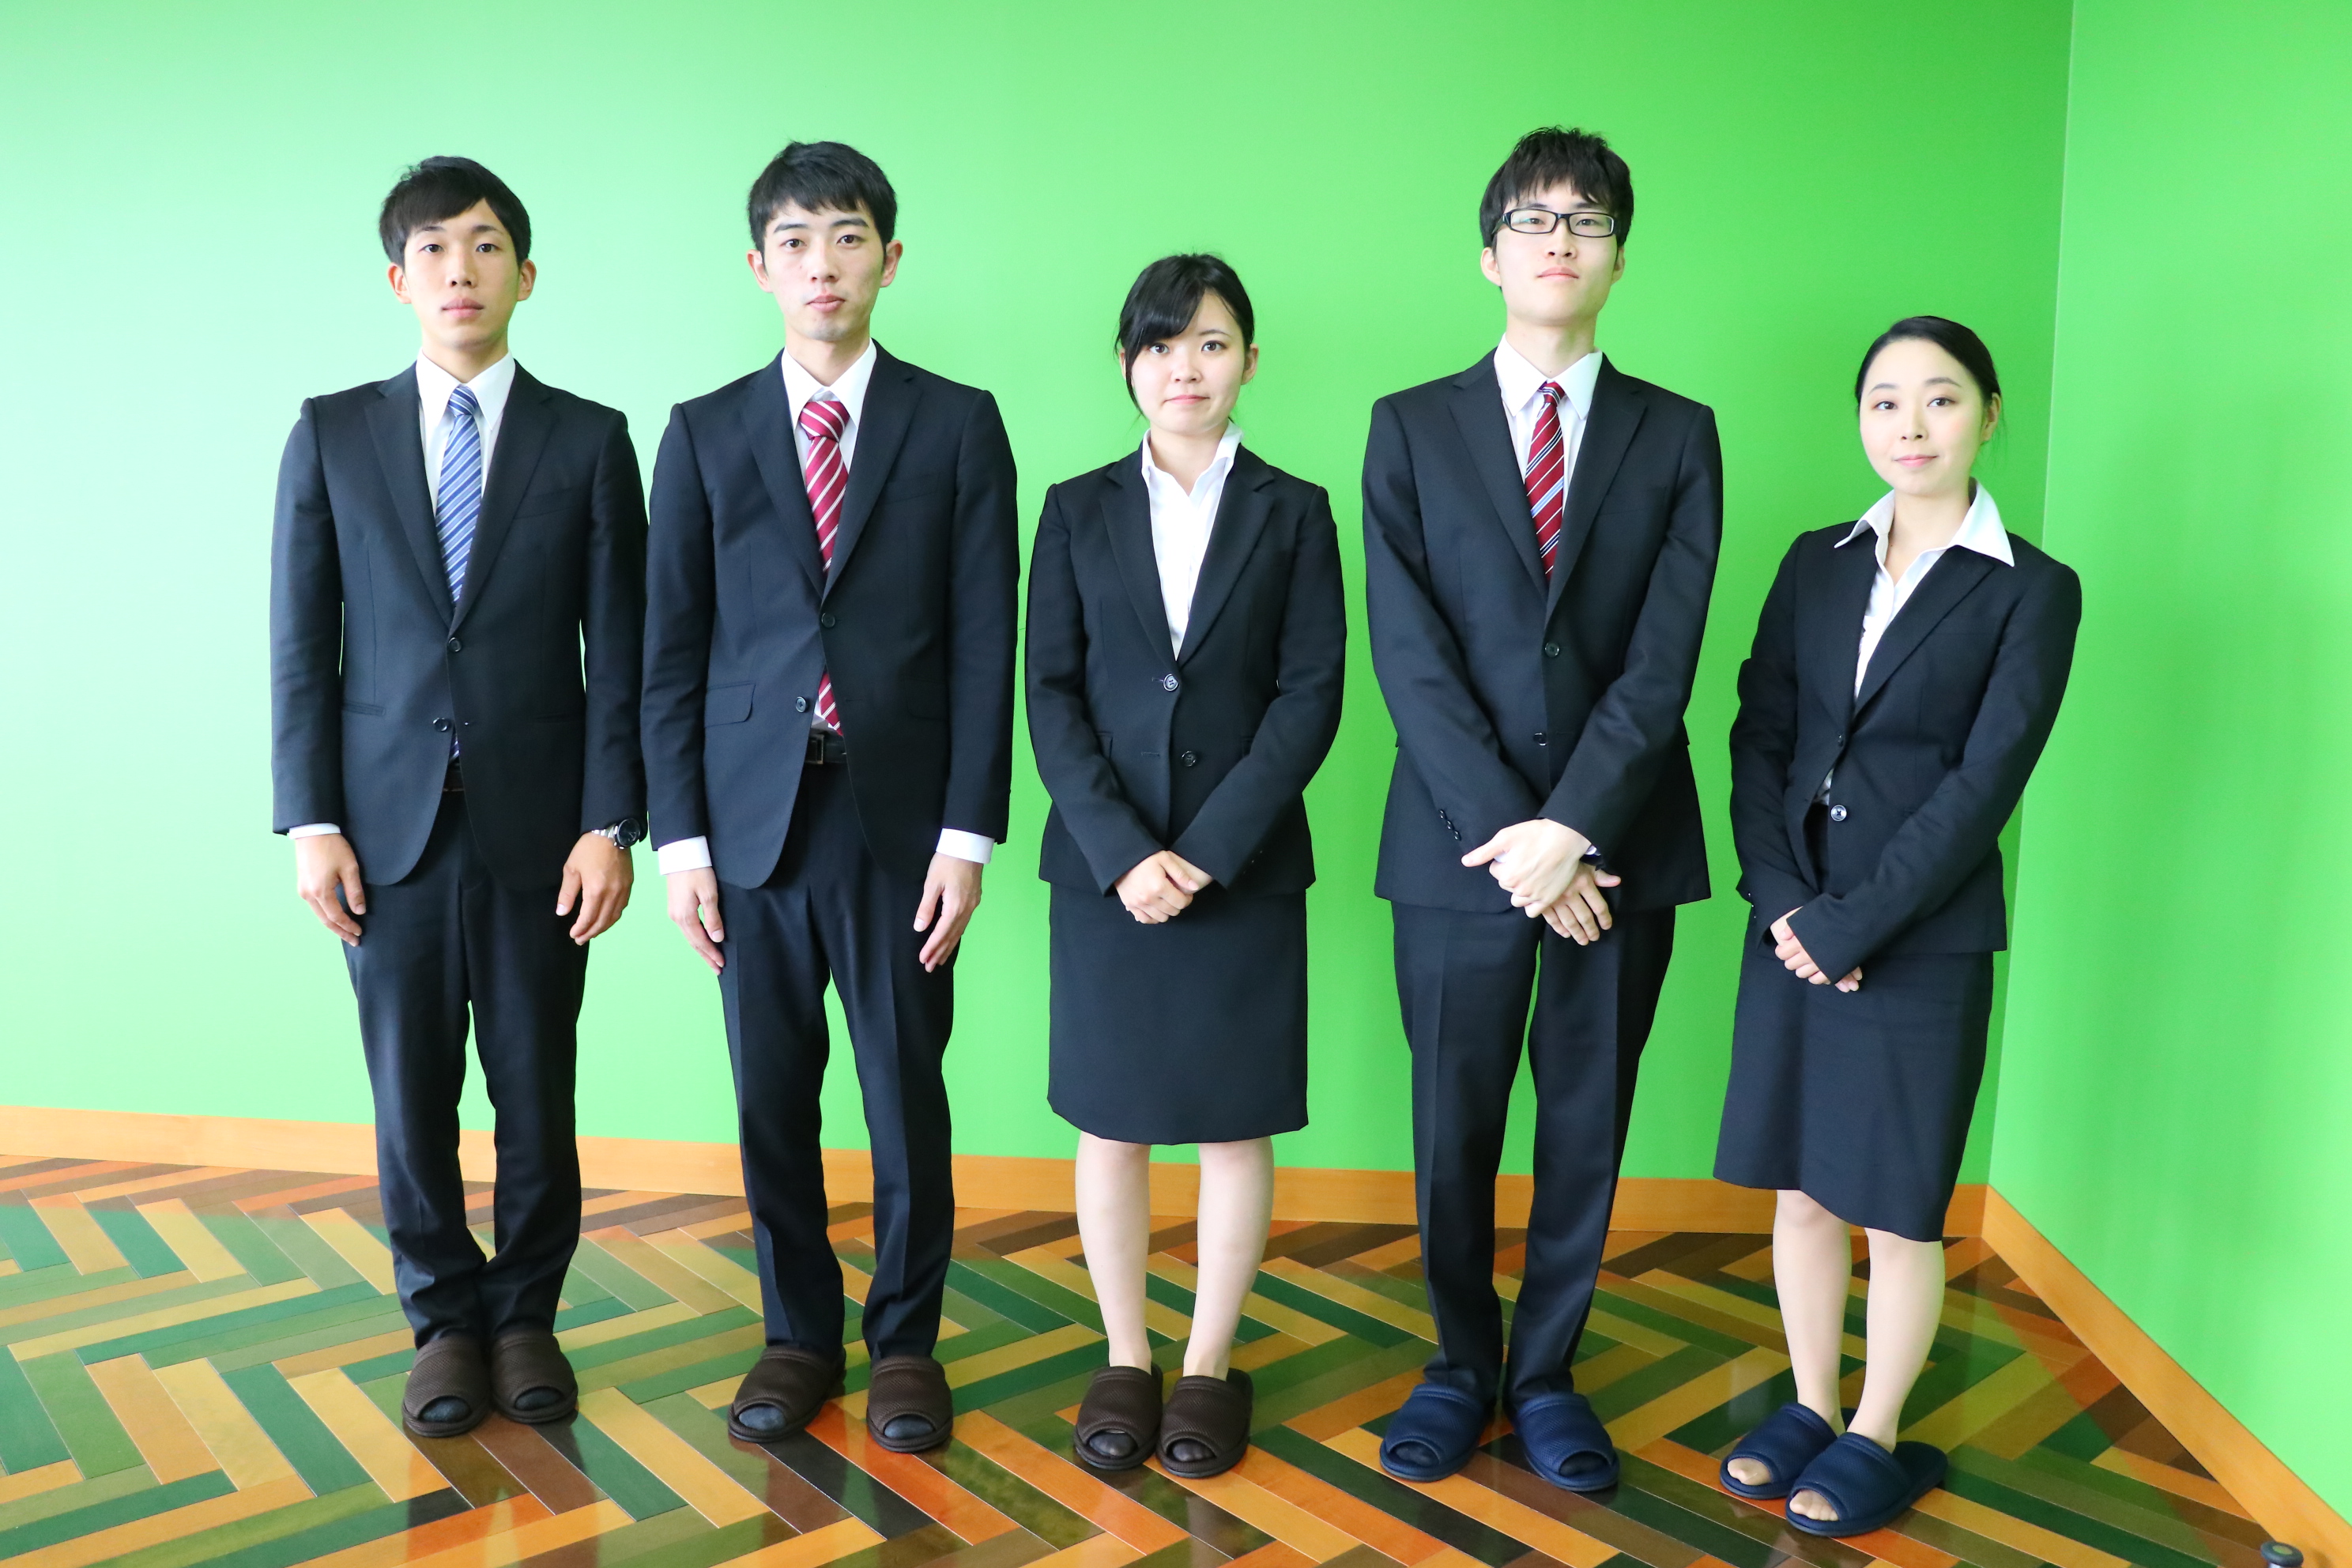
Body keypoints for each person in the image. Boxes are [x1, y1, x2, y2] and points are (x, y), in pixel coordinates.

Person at [641, 141, 1018, 1453]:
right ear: (760, 268)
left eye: (847, 238)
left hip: (901, 823)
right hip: (750, 828)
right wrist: (680, 844)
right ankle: (796, 1336)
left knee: (906, 1091)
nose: (823, 266)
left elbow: (985, 641)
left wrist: (968, 836)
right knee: (769, 1096)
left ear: (888, 260)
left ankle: (906, 1343)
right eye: (796, 243)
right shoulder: (701, 432)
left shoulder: (956, 423)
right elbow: (669, 653)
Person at [1361, 126, 1721, 1489]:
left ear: (1619, 257)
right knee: (1452, 1127)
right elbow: (1411, 654)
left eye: (1586, 219)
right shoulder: (1410, 425)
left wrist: (1572, 830)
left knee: (1587, 1120)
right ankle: (1461, 1365)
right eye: (1532, 217)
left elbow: (1664, 659)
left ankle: (1550, 1373)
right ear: (1489, 254)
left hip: (1616, 850)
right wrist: (1518, 841)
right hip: (1460, 851)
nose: (1558, 239)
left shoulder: (1679, 434)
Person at [270, 157, 647, 1436]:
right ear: (398, 280)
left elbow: (622, 654)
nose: (459, 272)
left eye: (485, 247)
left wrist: (609, 823)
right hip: (383, 833)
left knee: (538, 1090)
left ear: (525, 275)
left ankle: (527, 1316)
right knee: (410, 1093)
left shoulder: (590, 440)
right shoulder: (332, 432)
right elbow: (300, 644)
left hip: (543, 833)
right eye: (432, 250)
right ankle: (441, 1321)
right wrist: (312, 820)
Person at [1713, 318, 2080, 1536]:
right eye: (1885, 401)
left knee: (1896, 1205)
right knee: (1803, 1193)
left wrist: (1857, 925)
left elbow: (1984, 784)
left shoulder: (2032, 589)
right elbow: (1761, 733)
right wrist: (1786, 906)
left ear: (1989, 413)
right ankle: (1811, 1404)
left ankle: (1876, 1431)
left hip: (1920, 940)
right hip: (1793, 926)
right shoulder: (1814, 562)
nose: (1910, 425)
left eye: (1941, 398)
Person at [1026, 255, 1346, 1477]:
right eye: (1161, 346)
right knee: (1111, 1123)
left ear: (1249, 361)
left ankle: (1208, 1363)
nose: (1186, 368)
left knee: (1230, 1123)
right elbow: (1050, 694)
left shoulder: (1296, 509)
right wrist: (1125, 854)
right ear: (1127, 365)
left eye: (1212, 344)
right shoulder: (1074, 508)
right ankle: (1126, 1356)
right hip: (1103, 872)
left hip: (1241, 869)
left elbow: (1310, 696)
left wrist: (1206, 853)